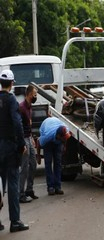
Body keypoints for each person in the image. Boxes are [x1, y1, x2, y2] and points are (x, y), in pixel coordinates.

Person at [0, 69, 29, 232]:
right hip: (10, 147)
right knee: (12, 183)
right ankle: (15, 221)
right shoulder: (11, 101)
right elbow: (17, 123)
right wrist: (21, 144)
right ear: (12, 84)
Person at [36, 117, 71, 195]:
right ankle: (50, 187)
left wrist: (64, 146)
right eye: (62, 138)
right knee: (48, 164)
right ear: (58, 136)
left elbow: (65, 139)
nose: (64, 140)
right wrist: (38, 156)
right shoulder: (47, 136)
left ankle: (58, 187)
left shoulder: (66, 130)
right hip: (46, 129)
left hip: (55, 128)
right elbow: (38, 142)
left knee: (58, 163)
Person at [19, 85, 38, 203]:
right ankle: (20, 194)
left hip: (28, 137)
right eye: (35, 94)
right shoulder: (21, 108)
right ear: (29, 94)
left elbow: (28, 125)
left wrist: (32, 138)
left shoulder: (30, 107)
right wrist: (22, 143)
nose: (36, 96)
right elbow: (19, 127)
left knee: (34, 163)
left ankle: (29, 189)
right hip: (23, 138)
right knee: (24, 167)